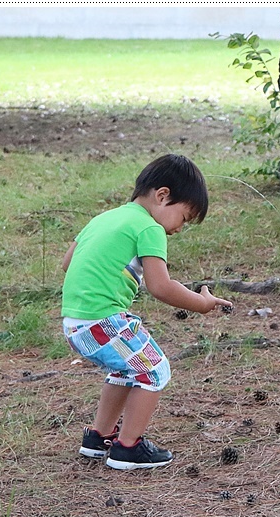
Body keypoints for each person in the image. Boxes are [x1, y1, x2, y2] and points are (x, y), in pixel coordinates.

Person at [60, 153, 232, 470]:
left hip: (74, 322)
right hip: (104, 319)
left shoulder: (103, 219)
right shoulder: (148, 228)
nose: (180, 228)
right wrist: (202, 303)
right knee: (154, 370)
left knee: (127, 370)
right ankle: (128, 447)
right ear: (163, 196)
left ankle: (98, 438)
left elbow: (68, 263)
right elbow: (161, 286)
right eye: (184, 217)